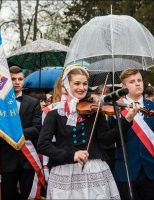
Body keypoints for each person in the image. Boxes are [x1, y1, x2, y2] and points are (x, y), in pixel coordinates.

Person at [37, 64, 138, 199]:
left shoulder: (94, 111)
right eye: (77, 83)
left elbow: (106, 140)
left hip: (94, 170)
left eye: (85, 83)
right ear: (67, 85)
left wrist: (127, 120)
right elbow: (43, 144)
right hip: (65, 173)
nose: (82, 87)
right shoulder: (55, 113)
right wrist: (71, 155)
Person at [112, 68, 154, 200]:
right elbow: (111, 137)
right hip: (125, 169)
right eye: (132, 81)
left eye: (139, 80)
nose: (138, 84)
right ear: (124, 87)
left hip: (151, 169)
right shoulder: (115, 107)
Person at [0, 66, 42, 200]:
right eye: (13, 79)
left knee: (27, 196)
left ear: (23, 81)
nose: (17, 82)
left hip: (27, 159)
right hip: (6, 159)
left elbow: (37, 128)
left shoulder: (33, 102)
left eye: (20, 79)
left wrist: (14, 133)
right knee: (7, 196)